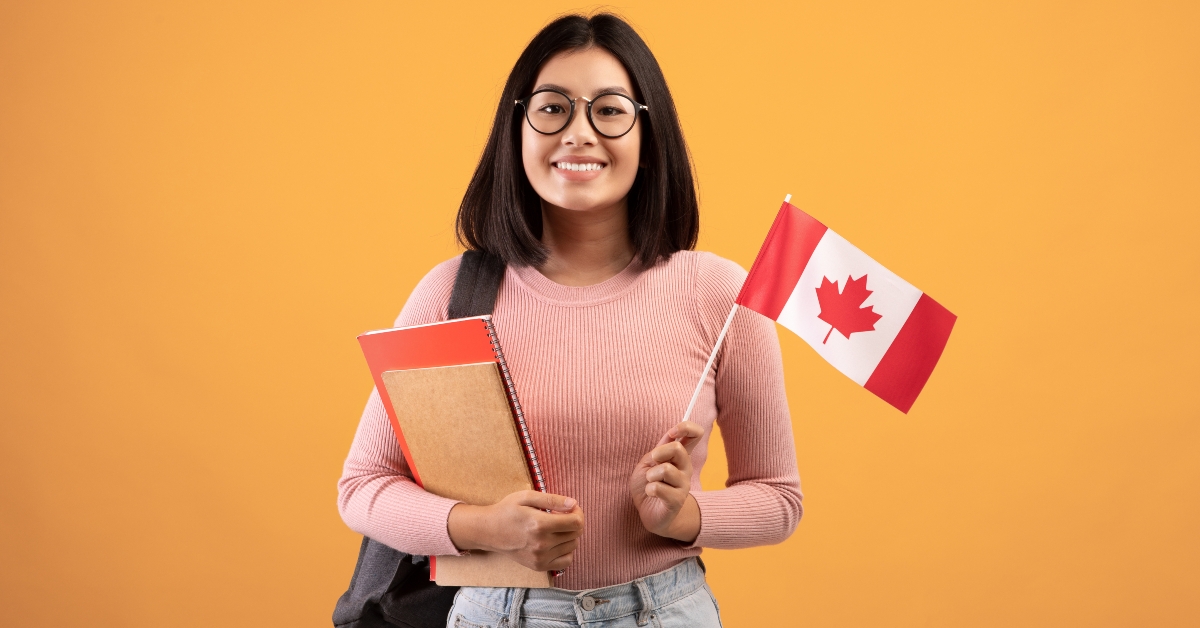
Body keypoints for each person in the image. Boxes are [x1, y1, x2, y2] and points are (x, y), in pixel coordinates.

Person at [338, 13, 802, 628]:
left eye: (608, 110)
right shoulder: (451, 295)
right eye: (552, 108)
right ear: (517, 130)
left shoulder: (718, 293)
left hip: (666, 612)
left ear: (648, 130)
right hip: (495, 614)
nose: (579, 133)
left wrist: (684, 516)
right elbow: (364, 487)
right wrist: (484, 528)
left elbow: (779, 497)